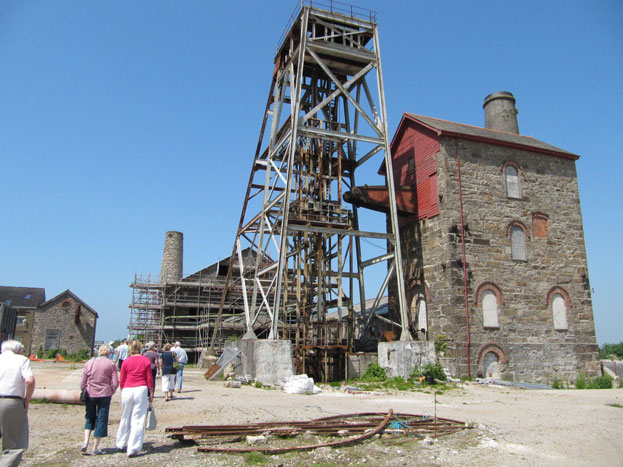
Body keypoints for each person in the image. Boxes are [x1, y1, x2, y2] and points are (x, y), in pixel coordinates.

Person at [115, 339, 153, 458]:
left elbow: (122, 378)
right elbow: (149, 378)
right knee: (138, 418)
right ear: (141, 348)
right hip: (140, 388)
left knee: (125, 416)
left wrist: (123, 389)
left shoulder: (126, 361)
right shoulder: (145, 360)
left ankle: (120, 443)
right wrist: (151, 392)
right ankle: (133, 448)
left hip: (127, 389)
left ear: (130, 349)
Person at [0, 340, 35, 467]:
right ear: (18, 350)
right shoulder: (22, 360)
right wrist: (27, 399)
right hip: (12, 400)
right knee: (13, 444)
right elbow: (29, 381)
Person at [80, 344, 119, 455]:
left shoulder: (89, 362)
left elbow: (83, 380)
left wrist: (83, 389)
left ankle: (85, 442)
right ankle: (95, 448)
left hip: (90, 393)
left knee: (89, 417)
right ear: (108, 353)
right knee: (102, 419)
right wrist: (111, 391)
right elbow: (115, 382)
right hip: (104, 394)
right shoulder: (111, 364)